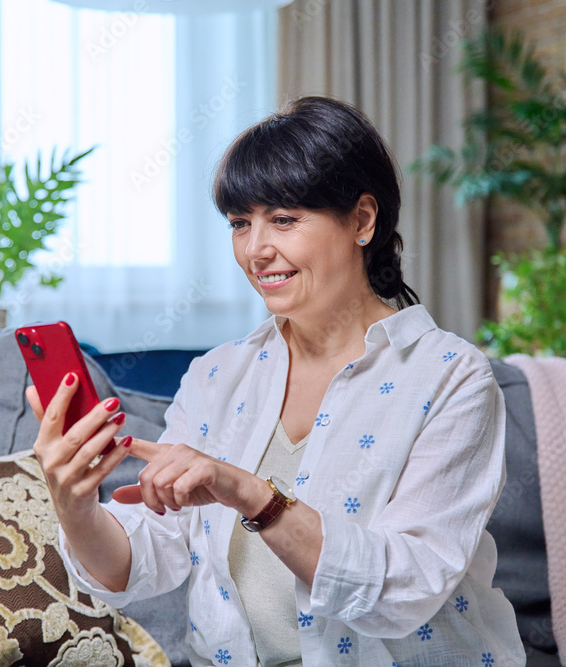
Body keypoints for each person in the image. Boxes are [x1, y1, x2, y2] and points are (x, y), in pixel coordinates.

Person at [27, 96, 526, 666]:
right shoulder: (217, 376)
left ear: (362, 221)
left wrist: (252, 494)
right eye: (241, 223)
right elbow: (144, 560)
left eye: (284, 219)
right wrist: (76, 507)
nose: (256, 250)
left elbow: (405, 588)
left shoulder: (451, 377)